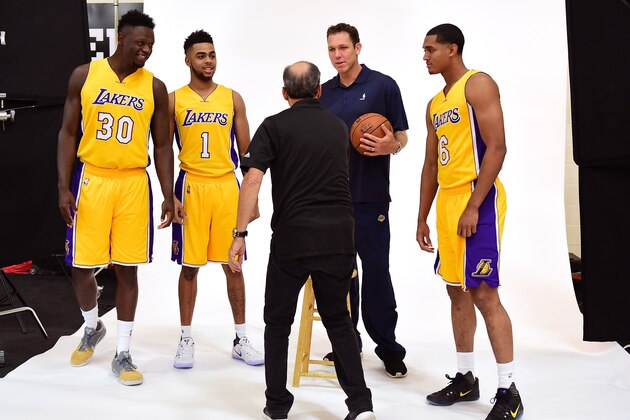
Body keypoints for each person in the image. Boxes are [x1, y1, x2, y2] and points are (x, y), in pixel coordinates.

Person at [228, 61, 375, 420]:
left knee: (277, 324)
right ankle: (361, 406)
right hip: (340, 237)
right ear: (319, 90)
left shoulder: (274, 126)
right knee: (339, 321)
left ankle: (277, 406)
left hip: (293, 240)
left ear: (285, 93)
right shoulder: (339, 128)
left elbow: (251, 180)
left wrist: (240, 233)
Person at [57, 9, 175, 386]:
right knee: (80, 266)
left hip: (132, 185)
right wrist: (63, 186)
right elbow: (67, 133)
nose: (146, 50)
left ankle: (123, 353)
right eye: (140, 43)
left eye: (151, 45)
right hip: (92, 178)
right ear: (121, 38)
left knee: (127, 269)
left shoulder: (154, 87)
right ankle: (92, 327)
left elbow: (162, 146)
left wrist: (168, 193)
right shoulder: (85, 75)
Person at [416, 23, 524, 419]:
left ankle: (509, 388)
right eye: (423, 50)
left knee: (484, 294)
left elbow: (498, 147)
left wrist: (475, 205)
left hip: (478, 198)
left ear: (452, 49)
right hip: (447, 202)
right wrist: (422, 217)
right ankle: (465, 379)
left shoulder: (478, 85)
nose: (425, 56)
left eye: (430, 49)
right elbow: (429, 164)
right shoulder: (434, 104)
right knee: (456, 292)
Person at [168, 30, 263, 368]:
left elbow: (250, 153)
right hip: (191, 185)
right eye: (200, 56)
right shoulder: (173, 99)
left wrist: (251, 200)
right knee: (190, 268)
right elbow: (163, 150)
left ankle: (241, 338)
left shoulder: (232, 98)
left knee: (233, 265)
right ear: (187, 60)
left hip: (226, 186)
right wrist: (169, 195)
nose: (208, 61)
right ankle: (185, 338)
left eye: (211, 55)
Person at [320, 23, 408, 378]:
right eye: (331, 50)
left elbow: (401, 135)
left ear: (358, 47)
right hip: (332, 201)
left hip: (371, 200)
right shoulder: (322, 92)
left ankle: (388, 347)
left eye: (343, 48)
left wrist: (393, 146)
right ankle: (347, 342)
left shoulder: (383, 85)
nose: (338, 55)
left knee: (376, 275)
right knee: (341, 276)